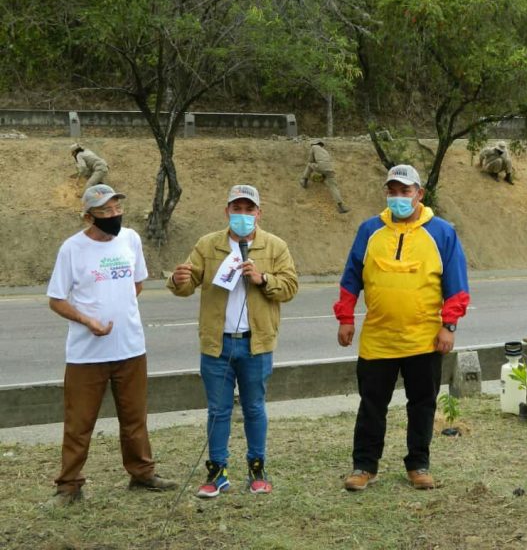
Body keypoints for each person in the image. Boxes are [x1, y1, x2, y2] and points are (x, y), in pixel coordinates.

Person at [334, 164, 470, 492]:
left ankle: (418, 465)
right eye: (392, 191)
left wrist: (449, 326)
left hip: (424, 339)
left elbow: (457, 286)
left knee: (422, 405)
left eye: (405, 191)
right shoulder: (370, 230)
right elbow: (351, 276)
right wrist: (346, 318)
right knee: (371, 406)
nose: (398, 197)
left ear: (419, 194)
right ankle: (364, 466)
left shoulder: (442, 233)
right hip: (378, 339)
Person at [46, 184, 177, 506]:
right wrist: (88, 320)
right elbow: (56, 300)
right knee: (79, 423)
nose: (114, 215)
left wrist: (119, 308)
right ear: (89, 217)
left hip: (130, 347)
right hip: (86, 354)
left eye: (117, 208)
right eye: (105, 211)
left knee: (134, 419)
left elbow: (137, 284)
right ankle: (68, 487)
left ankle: (142, 473)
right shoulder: (72, 249)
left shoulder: (130, 239)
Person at [167, 184, 298, 498]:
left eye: (248, 209)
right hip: (217, 344)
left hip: (256, 344)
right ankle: (217, 473)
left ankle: (257, 470)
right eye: (236, 209)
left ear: (258, 213)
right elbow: (186, 283)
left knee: (254, 408)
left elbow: (290, 287)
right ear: (226, 211)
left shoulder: (275, 246)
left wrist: (263, 279)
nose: (242, 215)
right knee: (218, 410)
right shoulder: (208, 244)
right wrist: (177, 279)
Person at [300, 139, 350, 214]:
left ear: (315, 144)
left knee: (309, 164)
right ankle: (341, 206)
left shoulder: (314, 147)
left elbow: (310, 160)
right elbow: (326, 163)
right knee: (333, 187)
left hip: (320, 167)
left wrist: (314, 163)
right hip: (330, 170)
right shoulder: (325, 151)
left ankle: (304, 180)